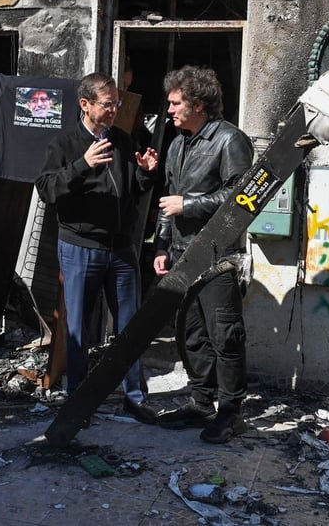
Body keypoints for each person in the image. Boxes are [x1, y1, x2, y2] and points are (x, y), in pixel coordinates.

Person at [35, 72, 160, 424]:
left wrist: (145, 173)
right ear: (85, 104)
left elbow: (132, 191)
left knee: (131, 325)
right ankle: (79, 400)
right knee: (79, 329)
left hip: (121, 250)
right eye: (108, 104)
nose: (114, 110)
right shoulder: (64, 144)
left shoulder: (122, 140)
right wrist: (82, 165)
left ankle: (135, 398)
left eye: (117, 104)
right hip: (81, 248)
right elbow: (46, 189)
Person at [152, 65, 254, 444]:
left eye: (176, 103)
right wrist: (161, 245)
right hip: (182, 255)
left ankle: (231, 413)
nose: (170, 110)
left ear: (197, 104)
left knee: (225, 336)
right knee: (190, 335)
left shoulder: (230, 141)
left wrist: (189, 205)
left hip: (217, 257)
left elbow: (242, 198)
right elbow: (168, 200)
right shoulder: (178, 143)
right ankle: (200, 403)